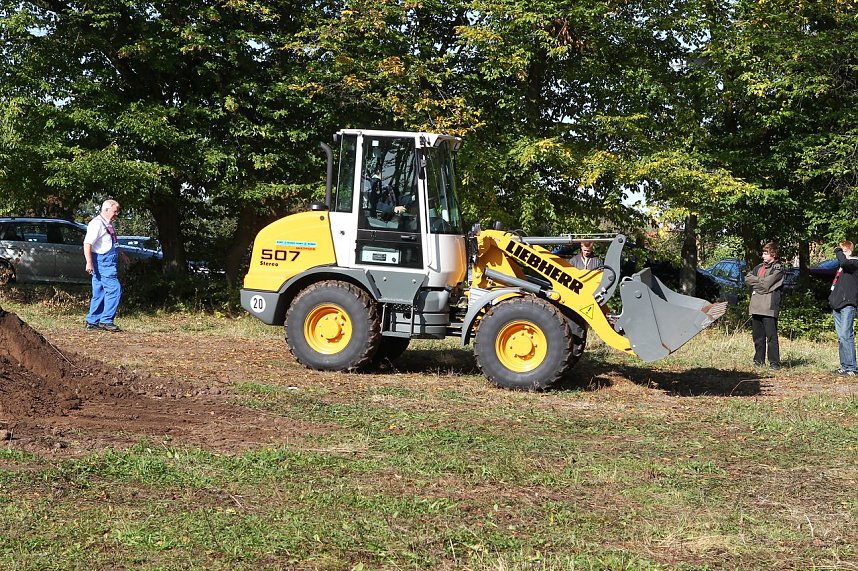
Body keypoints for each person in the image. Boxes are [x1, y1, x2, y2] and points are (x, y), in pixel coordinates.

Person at [83, 199, 123, 332]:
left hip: (106, 261)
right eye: (115, 211)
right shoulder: (97, 224)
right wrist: (89, 262)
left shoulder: (108, 224)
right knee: (114, 290)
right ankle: (106, 320)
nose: (117, 214)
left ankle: (92, 321)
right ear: (106, 209)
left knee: (99, 292)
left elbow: (112, 242)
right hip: (103, 262)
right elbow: (87, 244)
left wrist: (122, 254)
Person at [744, 242, 784, 369]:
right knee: (758, 336)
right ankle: (758, 361)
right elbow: (747, 279)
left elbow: (767, 284)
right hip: (756, 306)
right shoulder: (758, 267)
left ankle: (774, 363)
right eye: (763, 253)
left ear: (773, 254)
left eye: (766, 253)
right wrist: (760, 283)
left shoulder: (778, 268)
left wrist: (757, 283)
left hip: (769, 307)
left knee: (771, 336)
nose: (763, 256)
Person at [828, 241, 858, 377]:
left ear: (849, 251)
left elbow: (844, 262)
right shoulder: (842, 267)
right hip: (837, 304)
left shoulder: (854, 263)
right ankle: (844, 366)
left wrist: (838, 251)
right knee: (841, 337)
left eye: (843, 251)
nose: (840, 254)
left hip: (848, 304)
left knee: (847, 335)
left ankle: (852, 367)